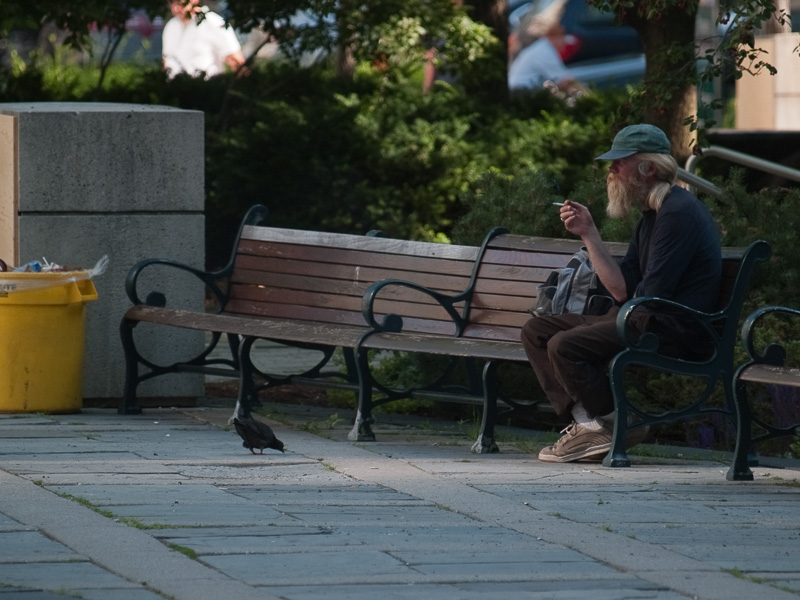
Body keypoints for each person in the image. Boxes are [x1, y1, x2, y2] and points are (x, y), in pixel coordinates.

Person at [520, 124, 722, 463]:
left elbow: (652, 295)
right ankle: (593, 426)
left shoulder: (678, 214)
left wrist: (611, 315)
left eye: (620, 162)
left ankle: (613, 425)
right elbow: (623, 288)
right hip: (643, 315)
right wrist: (588, 233)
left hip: (674, 329)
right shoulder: (651, 216)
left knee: (564, 345)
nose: (611, 169)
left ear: (648, 168)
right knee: (537, 331)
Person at [162, 0, 246, 79]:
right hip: (175, 90)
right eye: (172, 3)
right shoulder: (171, 26)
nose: (175, 8)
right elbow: (167, 61)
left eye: (180, 3)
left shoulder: (213, 22)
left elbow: (235, 60)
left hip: (207, 89)